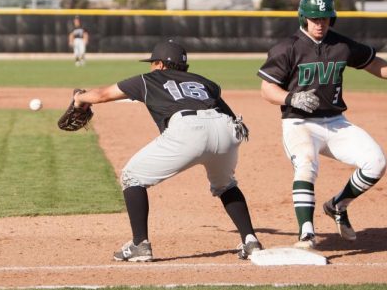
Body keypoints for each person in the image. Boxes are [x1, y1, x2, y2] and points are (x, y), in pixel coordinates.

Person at [257, 0, 387, 249]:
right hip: (299, 124)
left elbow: (371, 62)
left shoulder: (340, 44)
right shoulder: (286, 48)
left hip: (336, 122)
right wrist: (291, 98)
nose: (320, 24)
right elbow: (267, 89)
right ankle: (306, 234)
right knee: (306, 165)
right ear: (303, 18)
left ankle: (337, 205)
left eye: (324, 19)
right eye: (314, 19)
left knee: (376, 162)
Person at [72, 40, 262, 262]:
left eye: (153, 63)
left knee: (132, 176)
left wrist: (80, 98)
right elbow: (228, 114)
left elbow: (102, 95)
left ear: (161, 65)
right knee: (225, 185)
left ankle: (139, 245)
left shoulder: (149, 79)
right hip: (226, 129)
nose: (151, 67)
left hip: (190, 129)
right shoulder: (204, 81)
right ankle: (250, 240)